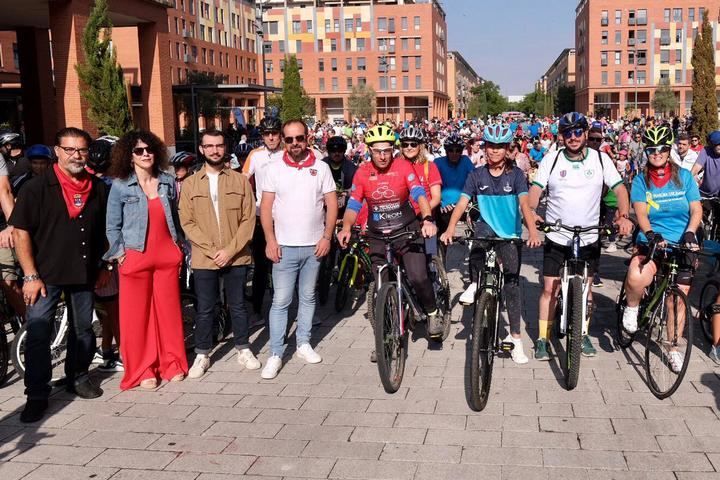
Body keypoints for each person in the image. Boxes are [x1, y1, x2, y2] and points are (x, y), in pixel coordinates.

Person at [10, 127, 109, 423]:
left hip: (84, 271)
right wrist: (29, 275)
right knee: (39, 334)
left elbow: (105, 232)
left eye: (82, 150)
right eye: (70, 149)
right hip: (45, 274)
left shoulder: (98, 188)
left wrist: (104, 266)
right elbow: (20, 232)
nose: (77, 155)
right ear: (57, 151)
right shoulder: (36, 188)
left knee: (84, 331)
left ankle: (77, 378)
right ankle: (37, 394)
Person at [528, 112, 633, 360]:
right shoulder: (552, 159)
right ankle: (543, 338)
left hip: (588, 235)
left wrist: (624, 215)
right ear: (561, 137)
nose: (573, 137)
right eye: (567, 133)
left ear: (585, 134)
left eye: (577, 132)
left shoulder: (600, 159)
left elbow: (619, 189)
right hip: (557, 233)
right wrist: (532, 212)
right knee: (549, 289)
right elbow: (535, 190)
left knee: (586, 289)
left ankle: (583, 333)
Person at [440, 125, 541, 364]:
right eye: (490, 146)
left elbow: (524, 205)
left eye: (499, 147)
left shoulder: (516, 175)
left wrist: (533, 232)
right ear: (484, 147)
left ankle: (515, 340)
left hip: (510, 233)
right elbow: (463, 203)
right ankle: (475, 284)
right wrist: (451, 228)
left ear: (507, 149)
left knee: (512, 286)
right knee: (478, 243)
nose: (494, 151)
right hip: (487, 225)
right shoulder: (476, 175)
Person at [337, 124, 439, 359]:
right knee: (381, 288)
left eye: (387, 150)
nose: (382, 156)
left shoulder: (403, 166)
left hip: (406, 229)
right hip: (378, 235)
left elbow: (419, 194)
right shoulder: (362, 172)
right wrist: (346, 227)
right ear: (369, 150)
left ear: (393, 150)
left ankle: (432, 313)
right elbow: (353, 204)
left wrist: (426, 219)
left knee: (417, 275)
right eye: (377, 150)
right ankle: (385, 339)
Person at [105, 130, 188, 390]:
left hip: (166, 256)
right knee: (136, 318)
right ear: (129, 156)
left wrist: (179, 248)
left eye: (149, 149)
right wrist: (119, 256)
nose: (145, 154)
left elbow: (175, 217)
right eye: (138, 151)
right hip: (135, 256)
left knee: (169, 314)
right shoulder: (120, 185)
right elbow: (111, 227)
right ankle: (143, 370)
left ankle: (172, 363)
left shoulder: (166, 181)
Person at [259, 119, 337, 379]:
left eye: (299, 138)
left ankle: (303, 342)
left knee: (308, 296)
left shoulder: (321, 167)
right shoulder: (273, 168)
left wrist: (327, 236)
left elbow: (331, 204)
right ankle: (276, 353)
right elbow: (267, 207)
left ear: (308, 137)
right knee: (280, 301)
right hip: (284, 247)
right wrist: (270, 240)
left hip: (314, 245)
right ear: (283, 140)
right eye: (289, 139)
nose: (295, 144)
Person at [179, 130, 259, 377]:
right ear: (201, 149)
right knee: (205, 308)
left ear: (226, 148)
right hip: (206, 257)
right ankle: (202, 354)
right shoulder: (191, 184)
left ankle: (243, 348)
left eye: (219, 145)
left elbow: (249, 219)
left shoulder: (239, 181)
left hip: (237, 256)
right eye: (209, 146)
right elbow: (187, 222)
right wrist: (214, 251)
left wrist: (230, 250)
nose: (214, 150)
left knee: (237, 305)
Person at [621, 126, 701, 372]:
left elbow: (696, 209)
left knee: (678, 299)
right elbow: (641, 211)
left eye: (662, 149)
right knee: (637, 275)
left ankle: (673, 347)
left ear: (669, 150)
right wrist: (650, 233)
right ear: (646, 151)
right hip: (653, 239)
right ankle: (632, 308)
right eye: (652, 149)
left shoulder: (685, 177)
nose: (657, 153)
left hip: (681, 241)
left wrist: (690, 231)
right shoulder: (641, 180)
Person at [87, 136, 124, 373]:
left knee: (111, 307)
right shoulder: (102, 182)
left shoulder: (112, 185)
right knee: (105, 308)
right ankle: (108, 349)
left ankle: (124, 353)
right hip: (96, 254)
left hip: (106, 254)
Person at [242, 116, 283, 327]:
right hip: (261, 216)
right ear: (262, 136)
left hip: (285, 218)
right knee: (260, 267)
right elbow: (242, 179)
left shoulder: (288, 154)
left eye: (274, 133)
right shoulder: (255, 155)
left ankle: (286, 310)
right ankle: (257, 311)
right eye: (267, 134)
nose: (271, 137)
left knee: (284, 265)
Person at [400, 127, 442, 257]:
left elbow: (436, 197)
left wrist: (422, 210)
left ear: (420, 146)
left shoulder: (429, 166)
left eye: (413, 144)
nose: (409, 147)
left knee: (430, 258)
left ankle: (434, 273)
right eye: (405, 144)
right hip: (402, 219)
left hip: (425, 218)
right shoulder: (397, 166)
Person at [434, 133, 475, 236]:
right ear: (446, 151)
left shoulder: (465, 160)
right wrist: (440, 203)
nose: (454, 153)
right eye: (451, 150)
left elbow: (474, 180)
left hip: (463, 204)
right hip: (444, 206)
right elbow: (432, 185)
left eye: (458, 151)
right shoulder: (438, 162)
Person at [322, 135, 357, 218]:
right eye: (333, 151)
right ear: (328, 151)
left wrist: (346, 195)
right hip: (324, 205)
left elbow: (356, 189)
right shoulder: (321, 166)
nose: (336, 153)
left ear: (344, 151)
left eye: (340, 150)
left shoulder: (352, 168)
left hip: (345, 206)